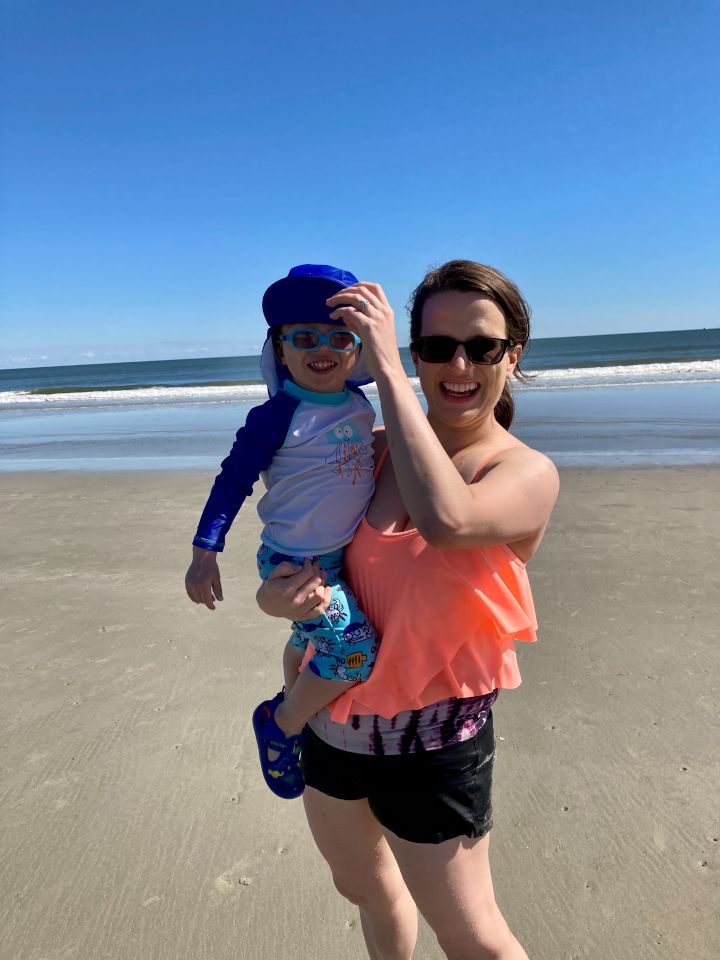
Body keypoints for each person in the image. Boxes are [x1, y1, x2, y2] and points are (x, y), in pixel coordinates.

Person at [256, 260, 559, 959]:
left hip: (433, 747)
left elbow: (448, 519)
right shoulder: (371, 452)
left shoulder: (523, 472)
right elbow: (304, 546)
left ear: (512, 355)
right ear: (418, 352)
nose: (459, 365)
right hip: (331, 723)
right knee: (365, 890)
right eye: (437, 346)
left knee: (473, 937)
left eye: (481, 346)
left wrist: (387, 369)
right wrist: (275, 598)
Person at [185, 264, 379, 800]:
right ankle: (282, 724)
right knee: (356, 654)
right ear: (280, 348)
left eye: (340, 337)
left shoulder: (360, 406)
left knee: (305, 640)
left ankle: (294, 703)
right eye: (305, 338)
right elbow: (233, 480)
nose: (324, 349)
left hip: (339, 556)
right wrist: (205, 551)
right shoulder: (276, 415)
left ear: (358, 349)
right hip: (295, 563)